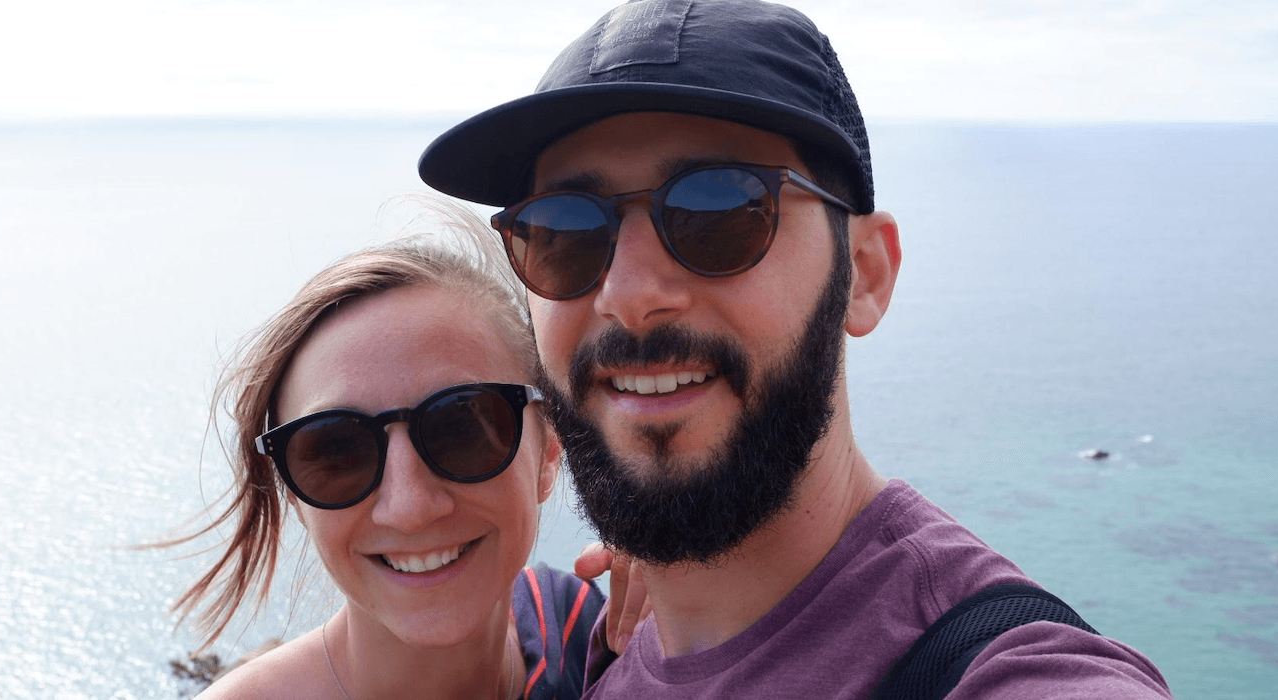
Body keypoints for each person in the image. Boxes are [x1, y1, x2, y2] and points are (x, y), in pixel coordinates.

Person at [418, 1, 1173, 697]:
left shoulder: (994, 672)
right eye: (564, 232)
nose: (628, 292)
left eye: (721, 209)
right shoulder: (605, 652)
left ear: (865, 276)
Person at [169, 207, 604, 700]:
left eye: (462, 428)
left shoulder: (581, 638)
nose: (411, 508)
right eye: (336, 451)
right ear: (294, 493)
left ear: (548, 450)